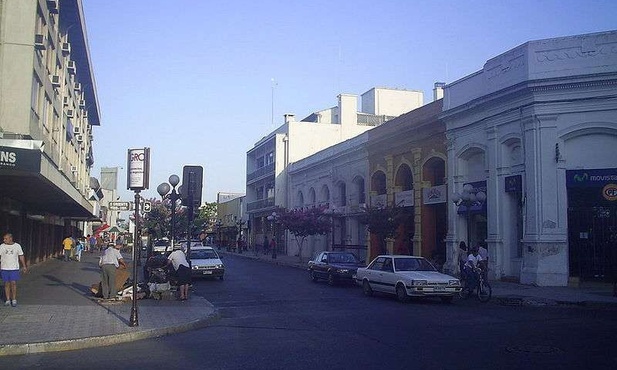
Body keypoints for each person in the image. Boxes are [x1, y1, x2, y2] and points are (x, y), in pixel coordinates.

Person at [0, 233, 28, 307]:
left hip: (14, 268)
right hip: (4, 268)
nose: (4, 240)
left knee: (13, 283)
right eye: (4, 239)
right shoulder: (2, 246)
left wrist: (24, 266)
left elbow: (21, 256)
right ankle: (8, 300)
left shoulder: (17, 246)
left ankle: (14, 299)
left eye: (6, 238)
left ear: (10, 238)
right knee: (6, 283)